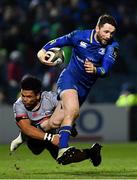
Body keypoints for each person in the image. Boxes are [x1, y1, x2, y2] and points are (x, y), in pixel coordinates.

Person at [37, 14, 118, 164]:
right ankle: (63, 148)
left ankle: (30, 133)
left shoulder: (112, 46)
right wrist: (42, 51)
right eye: (106, 32)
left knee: (54, 123)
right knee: (73, 110)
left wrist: (96, 70)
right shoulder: (79, 36)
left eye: (112, 33)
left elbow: (105, 70)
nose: (109, 36)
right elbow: (58, 41)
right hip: (68, 79)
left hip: (83, 89)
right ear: (97, 28)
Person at [10, 74, 102, 166]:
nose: (25, 99)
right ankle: (22, 137)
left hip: (54, 133)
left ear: (38, 95)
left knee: (65, 158)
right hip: (36, 138)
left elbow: (68, 108)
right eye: (23, 95)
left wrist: (70, 125)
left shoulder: (50, 98)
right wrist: (50, 138)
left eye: (29, 97)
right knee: (35, 149)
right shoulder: (19, 105)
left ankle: (92, 153)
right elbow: (26, 128)